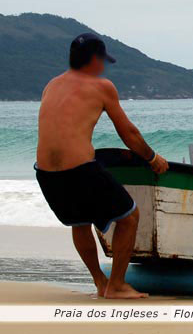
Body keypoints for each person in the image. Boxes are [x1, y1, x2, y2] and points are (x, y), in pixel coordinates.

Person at [35, 33, 169, 299]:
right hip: (80, 170)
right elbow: (128, 133)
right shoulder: (102, 86)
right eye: (102, 61)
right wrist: (152, 158)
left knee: (80, 222)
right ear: (94, 60)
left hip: (45, 173)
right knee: (129, 218)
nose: (104, 67)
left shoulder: (52, 84)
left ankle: (100, 282)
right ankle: (116, 285)